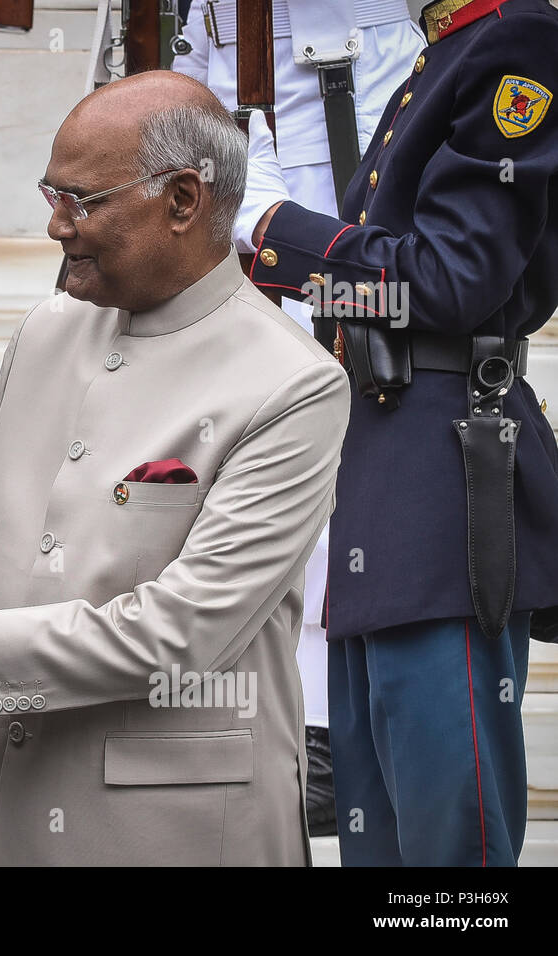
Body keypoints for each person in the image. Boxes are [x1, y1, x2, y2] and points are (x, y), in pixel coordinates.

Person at [0, 70, 351, 866]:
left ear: (183, 201)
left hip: (177, 832)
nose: (57, 226)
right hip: (11, 807)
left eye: (82, 200)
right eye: (50, 193)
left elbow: (181, 633)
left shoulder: (292, 383)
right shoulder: (50, 331)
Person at [247, 0, 558, 865]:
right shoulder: (448, 46)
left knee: (442, 833)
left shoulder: (516, 37)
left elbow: (455, 285)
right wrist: (271, 250)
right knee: (377, 831)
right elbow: (381, 288)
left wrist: (277, 230)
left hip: (437, 462)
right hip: (381, 460)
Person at [172, 0, 427, 837]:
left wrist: (268, 216)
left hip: (330, 81)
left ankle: (319, 725)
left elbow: (402, 290)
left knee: (318, 414)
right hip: (205, 59)